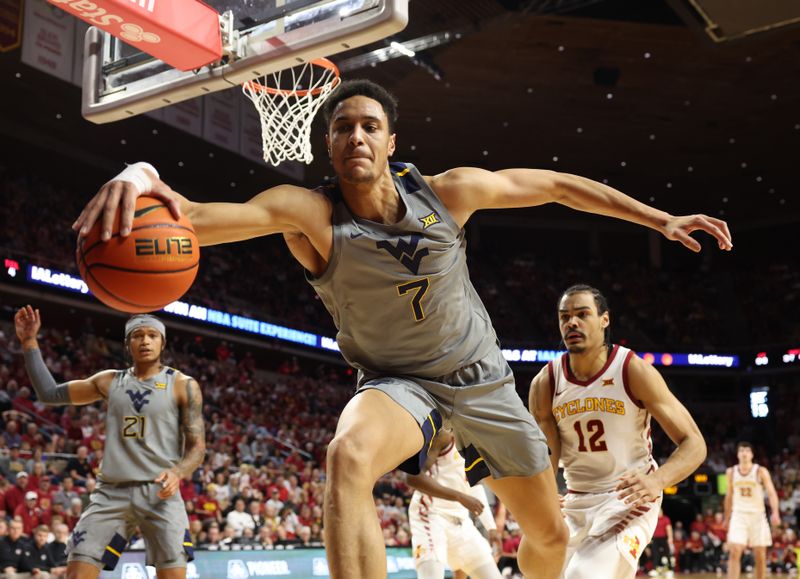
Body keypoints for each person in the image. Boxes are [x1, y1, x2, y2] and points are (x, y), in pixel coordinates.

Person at [73, 79, 732, 578]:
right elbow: (190, 217)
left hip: (481, 381)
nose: (356, 135)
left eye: (369, 125)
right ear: (326, 145)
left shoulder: (448, 193)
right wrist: (141, 174)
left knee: (549, 535)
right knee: (347, 456)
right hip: (396, 381)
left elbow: (558, 185)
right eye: (342, 127)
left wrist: (660, 219)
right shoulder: (307, 213)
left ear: (391, 142)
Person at [529, 284, 707, 578]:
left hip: (628, 498)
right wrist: (546, 493)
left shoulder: (632, 370)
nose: (572, 322)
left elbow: (695, 443)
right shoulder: (546, 382)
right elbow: (547, 455)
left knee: (583, 575)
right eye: (565, 317)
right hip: (575, 500)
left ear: (604, 320)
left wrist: (657, 481)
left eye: (582, 314)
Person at [14, 307, 206, 579]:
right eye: (138, 335)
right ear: (128, 344)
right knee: (77, 573)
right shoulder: (108, 380)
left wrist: (178, 472)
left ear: (163, 343)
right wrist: (29, 343)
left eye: (153, 335)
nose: (145, 341)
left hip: (160, 492)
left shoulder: (182, 385)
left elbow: (197, 448)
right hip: (111, 491)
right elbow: (49, 393)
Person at [407, 428, 502, 579]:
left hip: (461, 521)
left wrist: (491, 528)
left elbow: (475, 486)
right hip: (430, 515)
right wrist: (459, 497)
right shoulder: (443, 436)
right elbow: (413, 478)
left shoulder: (479, 442)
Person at [724, 441, 781, 579]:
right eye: (741, 451)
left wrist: (775, 512)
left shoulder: (760, 471)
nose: (744, 453)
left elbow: (772, 493)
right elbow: (729, 497)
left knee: (760, 554)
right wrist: (727, 518)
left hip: (757, 515)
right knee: (734, 551)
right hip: (739, 514)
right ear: (737, 454)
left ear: (752, 454)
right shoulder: (731, 472)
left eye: (747, 451)